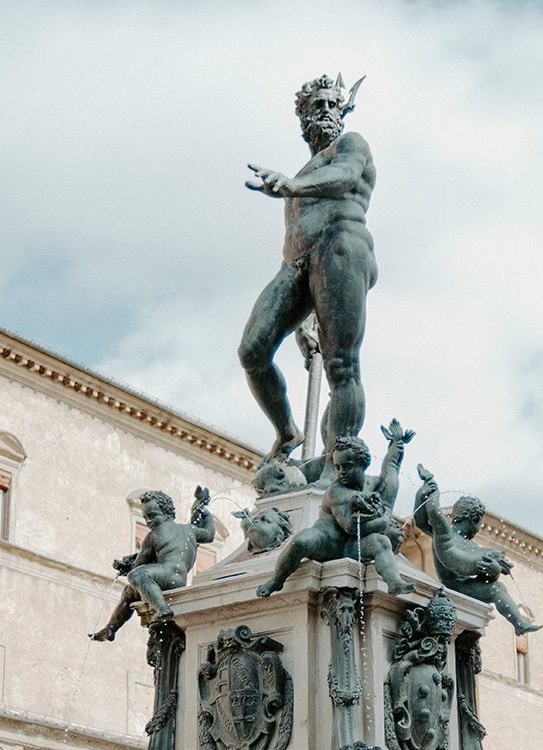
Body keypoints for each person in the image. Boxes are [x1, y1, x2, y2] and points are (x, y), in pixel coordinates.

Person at [240, 74, 376, 463]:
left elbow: (344, 177)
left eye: (333, 105)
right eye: (317, 106)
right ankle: (287, 433)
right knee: (253, 351)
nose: (326, 112)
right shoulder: (299, 174)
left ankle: (340, 460)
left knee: (341, 364)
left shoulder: (351, 146)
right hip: (298, 266)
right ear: (303, 117)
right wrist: (305, 316)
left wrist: (291, 187)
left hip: (341, 247)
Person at [256, 420, 415, 597]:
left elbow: (391, 471)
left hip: (351, 546)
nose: (341, 473)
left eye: (347, 466)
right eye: (337, 467)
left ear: (363, 464)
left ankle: (393, 582)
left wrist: (397, 444)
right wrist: (383, 522)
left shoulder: (373, 484)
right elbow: (351, 528)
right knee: (299, 541)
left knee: (381, 542)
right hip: (328, 540)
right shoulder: (336, 490)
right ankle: (276, 580)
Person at [412, 465, 542, 635]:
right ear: (474, 519)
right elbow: (425, 518)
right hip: (454, 586)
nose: (480, 528)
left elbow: (486, 578)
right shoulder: (444, 535)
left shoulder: (473, 548)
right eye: (480, 523)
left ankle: (518, 623)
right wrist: (429, 489)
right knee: (497, 588)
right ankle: (519, 623)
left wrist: (494, 570)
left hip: (466, 586)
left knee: (497, 588)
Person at [89, 487, 215, 641]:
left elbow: (140, 565)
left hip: (166, 576)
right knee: (129, 592)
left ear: (167, 512)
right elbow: (209, 534)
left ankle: (161, 608)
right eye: (145, 518)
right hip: (178, 579)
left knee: (135, 576)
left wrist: (127, 566)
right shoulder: (190, 530)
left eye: (152, 516)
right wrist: (205, 513)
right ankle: (110, 629)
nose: (149, 522)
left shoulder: (154, 535)